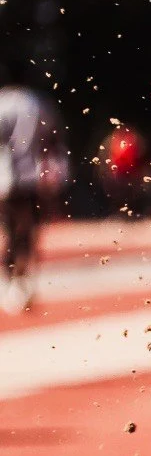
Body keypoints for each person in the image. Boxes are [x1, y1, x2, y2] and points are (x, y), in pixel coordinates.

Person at [0, 79, 66, 312]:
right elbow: (53, 138)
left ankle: (10, 281)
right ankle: (24, 279)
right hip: (32, 176)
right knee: (29, 230)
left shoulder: (3, 102)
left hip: (5, 177)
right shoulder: (38, 103)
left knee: (9, 229)